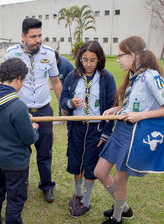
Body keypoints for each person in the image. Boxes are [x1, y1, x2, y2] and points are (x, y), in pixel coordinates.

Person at [94, 36, 164, 224]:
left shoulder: (151, 76)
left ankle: (117, 218)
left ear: (133, 55)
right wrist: (118, 109)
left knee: (119, 179)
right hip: (120, 132)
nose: (117, 60)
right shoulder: (135, 75)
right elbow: (135, 104)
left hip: (134, 135)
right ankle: (123, 207)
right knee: (99, 172)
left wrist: (139, 116)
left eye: (120, 56)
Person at [4, 18, 63, 203]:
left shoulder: (48, 52)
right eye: (33, 36)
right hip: (20, 112)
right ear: (23, 36)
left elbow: (55, 82)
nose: (37, 40)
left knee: (45, 152)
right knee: (21, 152)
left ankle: (47, 186)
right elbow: (6, 85)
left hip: (44, 110)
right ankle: (21, 184)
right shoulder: (11, 53)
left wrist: (63, 109)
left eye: (39, 35)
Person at [60, 41, 117, 217]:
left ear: (99, 59)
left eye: (93, 60)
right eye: (85, 60)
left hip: (96, 129)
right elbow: (63, 100)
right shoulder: (72, 76)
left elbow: (112, 106)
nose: (88, 64)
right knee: (77, 163)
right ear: (80, 59)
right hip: (77, 127)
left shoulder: (107, 78)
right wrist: (70, 103)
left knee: (91, 165)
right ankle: (78, 194)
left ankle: (86, 202)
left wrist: (106, 133)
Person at [0, 57, 39, 224]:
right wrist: (34, 128)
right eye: (23, 80)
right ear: (18, 79)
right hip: (14, 163)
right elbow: (28, 138)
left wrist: (23, 119)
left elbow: (5, 121)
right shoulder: (18, 106)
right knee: (15, 200)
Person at [53, 51, 74, 125]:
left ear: (57, 60)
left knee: (62, 95)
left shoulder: (62, 66)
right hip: (66, 78)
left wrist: (52, 87)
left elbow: (59, 84)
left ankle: (61, 118)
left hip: (72, 80)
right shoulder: (55, 62)